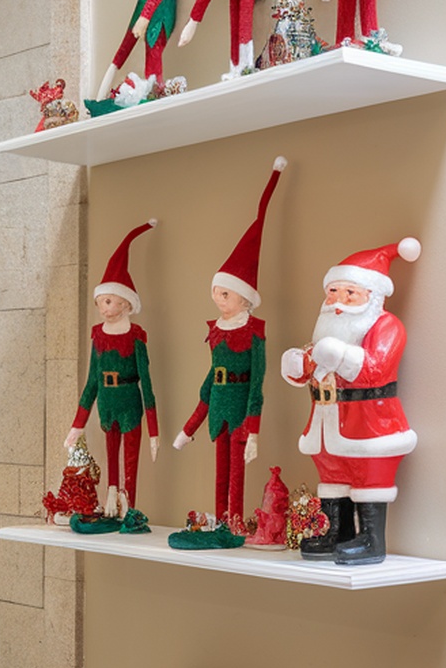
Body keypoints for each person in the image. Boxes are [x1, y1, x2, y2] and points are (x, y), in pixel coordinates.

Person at [281, 237, 420, 565]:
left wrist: (340, 354)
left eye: (349, 293)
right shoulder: (328, 331)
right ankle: (336, 532)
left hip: (371, 425)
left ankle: (371, 540)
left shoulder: (387, 326)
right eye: (333, 292)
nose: (338, 302)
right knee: (333, 477)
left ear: (372, 296)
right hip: (327, 425)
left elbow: (374, 369)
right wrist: (299, 365)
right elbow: (316, 367)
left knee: (369, 480)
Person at [174, 159, 286, 529]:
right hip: (219, 406)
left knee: (237, 472)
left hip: (240, 409)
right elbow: (209, 380)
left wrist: (254, 429)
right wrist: (189, 427)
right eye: (216, 293)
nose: (219, 300)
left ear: (244, 298)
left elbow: (258, 384)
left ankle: (234, 522)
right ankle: (220, 521)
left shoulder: (254, 332)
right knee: (220, 471)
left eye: (226, 294)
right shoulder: (217, 330)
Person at [64, 222, 159, 517]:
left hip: (130, 404)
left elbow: (147, 382)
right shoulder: (98, 335)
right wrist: (78, 423)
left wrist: (154, 430)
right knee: (110, 457)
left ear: (124, 302)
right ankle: (110, 502)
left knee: (131, 458)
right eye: (99, 302)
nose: (103, 308)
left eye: (107, 301)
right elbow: (91, 381)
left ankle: (130, 508)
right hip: (107, 404)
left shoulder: (136, 336)